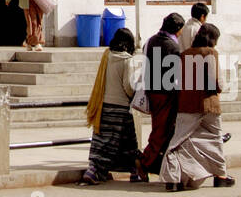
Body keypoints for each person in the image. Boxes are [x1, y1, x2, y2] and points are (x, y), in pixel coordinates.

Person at [160, 23, 235, 191]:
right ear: (213, 39)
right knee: (215, 139)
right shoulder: (211, 54)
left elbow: (178, 81)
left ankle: (173, 179)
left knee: (177, 141)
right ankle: (220, 176)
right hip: (208, 104)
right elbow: (218, 83)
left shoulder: (184, 55)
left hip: (186, 104)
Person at [80, 28, 143, 185]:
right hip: (121, 108)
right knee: (128, 143)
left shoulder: (107, 55)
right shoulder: (127, 60)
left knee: (102, 142)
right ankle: (135, 172)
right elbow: (128, 86)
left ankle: (93, 169)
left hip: (104, 106)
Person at [134, 12, 186, 182]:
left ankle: (154, 163)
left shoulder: (150, 41)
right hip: (166, 93)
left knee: (160, 128)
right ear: (177, 29)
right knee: (161, 131)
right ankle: (144, 161)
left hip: (152, 90)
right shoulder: (173, 47)